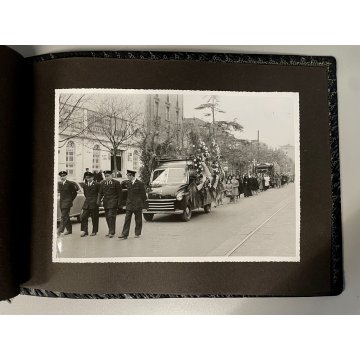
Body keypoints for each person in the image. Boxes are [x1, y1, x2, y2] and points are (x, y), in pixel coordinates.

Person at [118, 170, 147, 239]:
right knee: (127, 219)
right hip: (129, 204)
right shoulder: (128, 183)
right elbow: (126, 194)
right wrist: (124, 204)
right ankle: (124, 234)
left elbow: (143, 195)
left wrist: (143, 205)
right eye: (127, 175)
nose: (127, 177)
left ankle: (137, 233)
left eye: (128, 176)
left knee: (138, 219)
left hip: (138, 204)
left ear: (132, 176)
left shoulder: (140, 183)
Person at [97, 170, 122, 238]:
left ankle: (112, 232)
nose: (106, 177)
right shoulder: (103, 183)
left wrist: (119, 203)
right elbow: (100, 193)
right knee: (107, 217)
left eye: (108, 176)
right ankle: (110, 230)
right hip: (106, 202)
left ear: (112, 175)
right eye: (105, 176)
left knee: (111, 216)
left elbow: (120, 194)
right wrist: (98, 201)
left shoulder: (116, 183)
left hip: (113, 202)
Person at [57, 171, 78, 236]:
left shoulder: (70, 183)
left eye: (63, 176)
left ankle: (59, 231)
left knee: (63, 216)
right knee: (66, 216)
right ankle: (69, 230)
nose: (62, 177)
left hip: (67, 202)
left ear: (66, 176)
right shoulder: (59, 184)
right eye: (61, 176)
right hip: (62, 202)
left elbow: (75, 193)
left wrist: (70, 200)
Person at [80, 171, 100, 237]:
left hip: (94, 203)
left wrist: (97, 201)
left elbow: (99, 194)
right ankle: (85, 231)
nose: (87, 179)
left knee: (94, 217)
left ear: (92, 177)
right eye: (86, 178)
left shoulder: (97, 184)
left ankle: (94, 231)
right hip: (87, 203)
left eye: (89, 178)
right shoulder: (85, 185)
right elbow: (86, 194)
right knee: (83, 217)